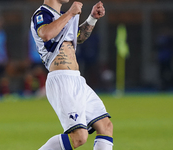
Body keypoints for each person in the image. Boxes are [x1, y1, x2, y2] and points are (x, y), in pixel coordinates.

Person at [30, 0, 113, 150]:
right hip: (61, 79)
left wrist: (92, 18)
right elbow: (46, 34)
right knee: (79, 137)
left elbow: (78, 37)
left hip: (77, 79)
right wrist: (70, 13)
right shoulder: (42, 14)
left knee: (105, 126)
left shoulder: (62, 17)